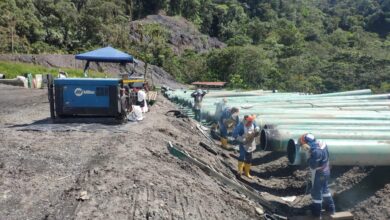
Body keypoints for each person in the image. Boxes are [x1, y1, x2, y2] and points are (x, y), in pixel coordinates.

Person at [300, 133, 335, 218]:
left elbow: (313, 165)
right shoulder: (322, 143)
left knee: (316, 192)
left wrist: (308, 156)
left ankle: (316, 213)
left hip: (319, 173)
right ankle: (330, 209)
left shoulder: (316, 152)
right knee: (325, 189)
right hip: (326, 170)